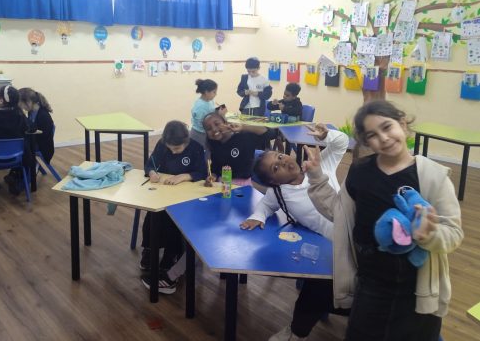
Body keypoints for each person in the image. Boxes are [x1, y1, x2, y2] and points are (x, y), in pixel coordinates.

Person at [305, 100, 463, 341]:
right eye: (373, 135)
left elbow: (453, 233)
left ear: (403, 125)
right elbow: (339, 213)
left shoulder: (432, 176)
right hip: (371, 284)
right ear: (367, 142)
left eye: (387, 127)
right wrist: (316, 176)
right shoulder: (360, 172)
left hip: (416, 287)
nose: (384, 138)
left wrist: (429, 234)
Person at [241, 124, 350, 341]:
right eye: (275, 168)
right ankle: (297, 332)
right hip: (329, 245)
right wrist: (258, 216)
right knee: (316, 289)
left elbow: (342, 143)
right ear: (273, 182)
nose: (283, 162)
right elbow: (266, 205)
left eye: (280, 157)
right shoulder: (279, 192)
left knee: (338, 291)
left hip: (353, 238)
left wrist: (327, 136)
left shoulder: (318, 166)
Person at [152, 112, 277, 291]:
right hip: (221, 187)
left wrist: (243, 126)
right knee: (202, 225)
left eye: (217, 124)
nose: (214, 130)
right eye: (209, 128)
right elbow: (215, 168)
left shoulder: (245, 136)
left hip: (242, 189)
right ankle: (184, 259)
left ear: (226, 122)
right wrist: (213, 176)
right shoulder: (213, 144)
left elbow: (271, 133)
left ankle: (173, 275)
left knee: (215, 229)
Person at [139, 120, 206, 295]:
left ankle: (171, 254)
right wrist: (152, 172)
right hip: (164, 191)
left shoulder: (196, 148)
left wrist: (184, 176)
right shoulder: (162, 145)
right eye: (170, 148)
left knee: (174, 220)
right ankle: (149, 249)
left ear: (186, 141)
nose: (173, 152)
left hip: (186, 196)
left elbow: (202, 172)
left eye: (177, 149)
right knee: (153, 214)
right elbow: (150, 163)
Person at [18, 88, 55, 164]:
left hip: (43, 149)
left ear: (28, 102)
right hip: (35, 144)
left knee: (19, 149)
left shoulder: (43, 115)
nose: (21, 107)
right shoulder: (31, 112)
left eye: (21, 104)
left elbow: (42, 136)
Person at [190, 79, 226, 147]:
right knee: (204, 150)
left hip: (206, 132)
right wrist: (221, 115)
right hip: (200, 134)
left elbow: (211, 112)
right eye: (214, 92)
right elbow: (205, 123)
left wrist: (217, 111)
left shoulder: (209, 100)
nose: (216, 94)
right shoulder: (200, 107)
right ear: (206, 92)